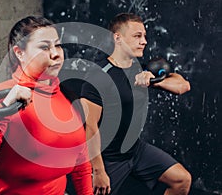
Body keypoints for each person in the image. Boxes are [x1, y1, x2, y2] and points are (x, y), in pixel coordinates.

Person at [0, 16, 93, 195]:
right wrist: (2, 112)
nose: (56, 53)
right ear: (19, 53)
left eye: (57, 45)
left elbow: (81, 163)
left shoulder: (68, 96)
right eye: (44, 47)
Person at [80, 13, 192, 195]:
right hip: (109, 158)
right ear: (118, 38)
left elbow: (183, 85)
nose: (144, 41)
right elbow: (89, 127)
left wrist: (155, 81)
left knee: (182, 180)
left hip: (136, 150)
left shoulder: (141, 69)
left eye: (145, 36)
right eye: (137, 36)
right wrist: (98, 171)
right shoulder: (99, 75)